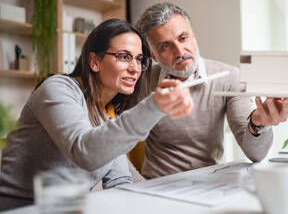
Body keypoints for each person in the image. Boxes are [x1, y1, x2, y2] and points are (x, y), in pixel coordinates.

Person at [0, 19, 193, 211]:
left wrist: (172, 202)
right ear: (94, 61)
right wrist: (153, 106)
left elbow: (120, 181)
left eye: (139, 59)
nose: (135, 69)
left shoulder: (107, 116)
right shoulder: (57, 88)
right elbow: (84, 151)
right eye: (124, 57)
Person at [134, 2, 288, 179]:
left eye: (183, 38)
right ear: (153, 55)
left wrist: (259, 123)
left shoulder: (229, 77)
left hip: (209, 183)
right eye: (165, 46)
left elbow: (256, 154)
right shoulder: (142, 81)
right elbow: (114, 138)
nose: (179, 51)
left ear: (193, 36)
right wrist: (137, 182)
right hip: (155, 186)